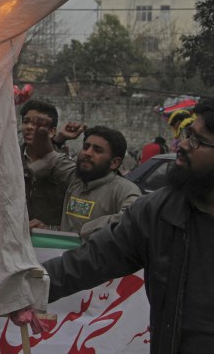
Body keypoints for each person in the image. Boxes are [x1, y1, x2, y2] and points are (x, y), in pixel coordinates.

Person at [43, 98, 214, 352]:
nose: (184, 145)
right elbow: (86, 262)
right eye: (188, 134)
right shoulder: (159, 213)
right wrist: (18, 289)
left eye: (198, 140)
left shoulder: (127, 192)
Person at [28, 120, 141, 239]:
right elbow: (50, 157)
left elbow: (133, 218)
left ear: (114, 163)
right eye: (86, 147)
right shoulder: (75, 178)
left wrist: (85, 231)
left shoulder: (125, 190)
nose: (88, 153)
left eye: (97, 150)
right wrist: (48, 230)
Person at [19, 99, 86, 229]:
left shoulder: (63, 166)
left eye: (37, 124)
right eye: (26, 121)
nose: (29, 127)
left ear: (51, 131)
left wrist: (49, 229)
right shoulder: (12, 159)